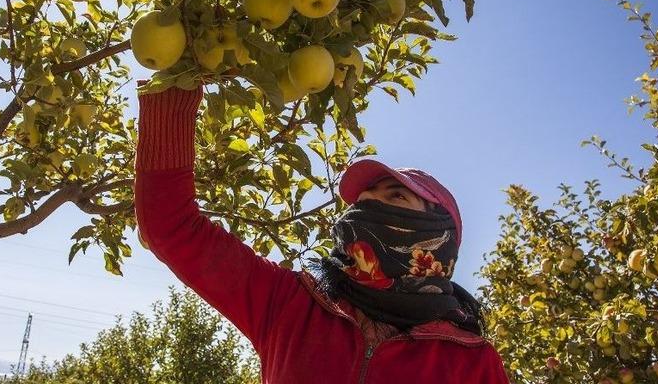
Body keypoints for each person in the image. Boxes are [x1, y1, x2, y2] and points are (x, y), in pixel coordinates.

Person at [134, 84, 510, 383]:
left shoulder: (472, 362)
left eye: (396, 196)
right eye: (363, 202)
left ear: (439, 236)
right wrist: (173, 89)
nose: (369, 211)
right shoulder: (288, 304)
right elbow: (171, 227)